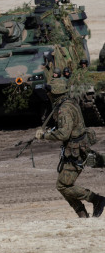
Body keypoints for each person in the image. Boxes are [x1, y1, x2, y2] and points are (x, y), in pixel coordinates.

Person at [35, 78, 105, 218]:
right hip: (76, 149)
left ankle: (96, 199)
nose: (47, 94)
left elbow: (64, 133)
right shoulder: (69, 103)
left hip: (75, 151)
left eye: (49, 91)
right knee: (63, 185)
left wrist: (44, 136)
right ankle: (82, 214)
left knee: (62, 185)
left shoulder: (64, 109)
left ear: (54, 92)